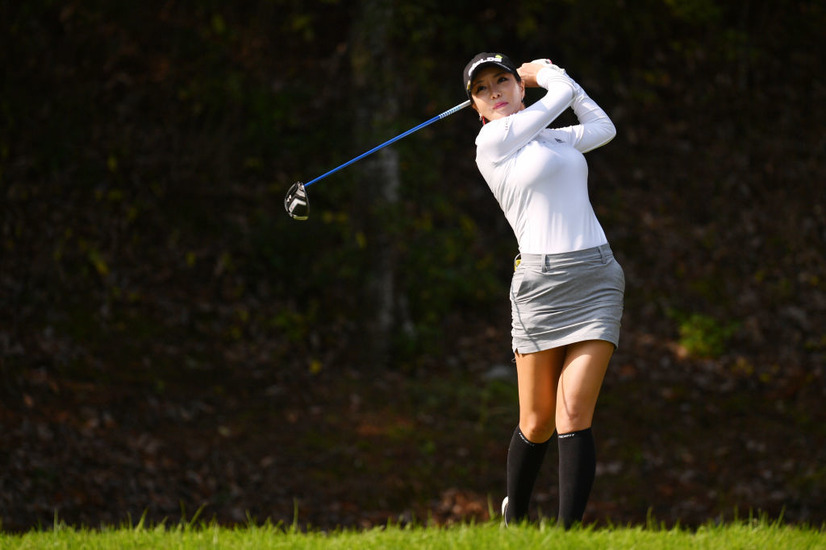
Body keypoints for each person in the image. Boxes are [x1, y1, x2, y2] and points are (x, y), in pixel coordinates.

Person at [462, 52, 624, 528]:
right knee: (537, 421)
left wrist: (554, 80)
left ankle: (567, 535)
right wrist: (549, 75)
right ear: (476, 107)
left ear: (518, 88)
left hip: (597, 276)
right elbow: (563, 96)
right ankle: (516, 517)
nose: (495, 92)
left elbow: (603, 126)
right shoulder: (491, 141)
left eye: (503, 81)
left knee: (573, 411)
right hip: (540, 286)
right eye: (483, 89)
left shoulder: (552, 136)